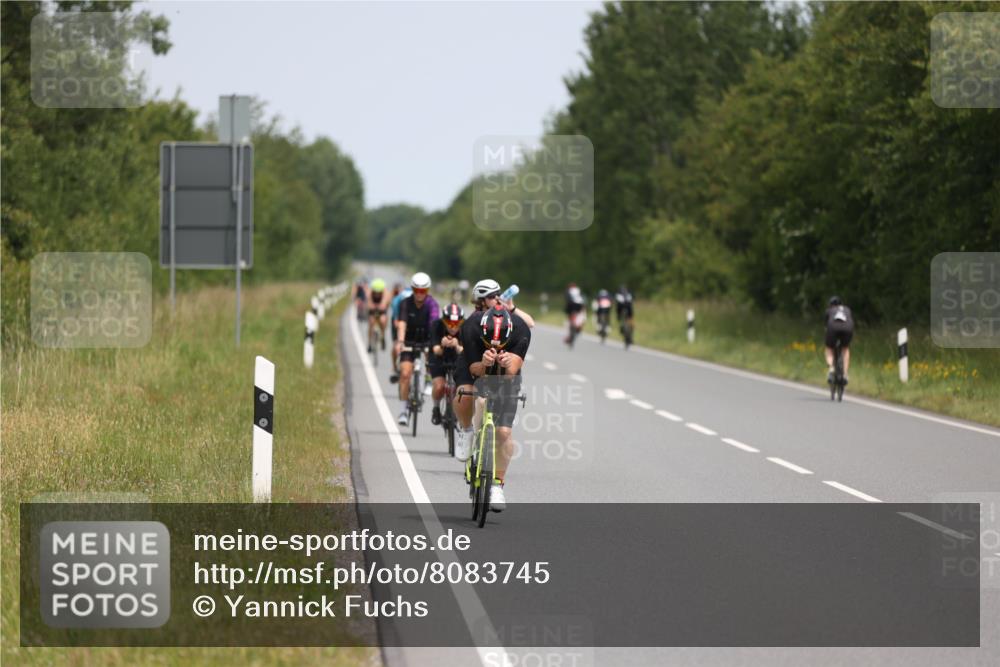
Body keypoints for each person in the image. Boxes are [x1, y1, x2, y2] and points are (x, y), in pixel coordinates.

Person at [460, 302, 530, 512]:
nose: (496, 347)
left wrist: (508, 362)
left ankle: (498, 484)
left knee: (504, 432)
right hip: (478, 371)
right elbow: (473, 370)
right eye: (490, 343)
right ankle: (472, 435)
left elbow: (512, 373)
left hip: (508, 379)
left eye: (501, 344)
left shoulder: (521, 330)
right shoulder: (471, 327)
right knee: (479, 400)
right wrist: (484, 363)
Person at [394, 272, 440, 425]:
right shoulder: (405, 303)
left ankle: (428, 378)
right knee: (405, 373)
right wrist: (400, 341)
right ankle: (402, 410)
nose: (420, 294)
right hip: (408, 339)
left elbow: (434, 324)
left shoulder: (432, 304)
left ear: (427, 291)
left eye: (423, 291)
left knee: (430, 354)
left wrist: (433, 344)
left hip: (426, 338)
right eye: (417, 290)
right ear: (413, 289)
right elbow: (402, 323)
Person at [429, 303, 465, 425]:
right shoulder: (436, 325)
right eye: (449, 323)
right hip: (439, 357)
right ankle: (436, 407)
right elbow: (436, 351)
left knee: (460, 388)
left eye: (456, 324)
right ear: (443, 321)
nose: (453, 327)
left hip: (457, 358)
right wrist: (443, 345)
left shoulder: (466, 328)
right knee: (439, 387)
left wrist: (457, 346)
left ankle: (455, 411)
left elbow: (467, 351)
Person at [824, 296, 854, 384]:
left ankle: (831, 368)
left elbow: (826, 326)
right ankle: (845, 374)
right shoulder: (847, 309)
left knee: (829, 348)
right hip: (848, 328)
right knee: (845, 348)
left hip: (833, 328)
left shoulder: (829, 310)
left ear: (830, 305)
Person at [389, 283, 411, 382]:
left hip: (409, 324)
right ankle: (394, 368)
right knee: (396, 346)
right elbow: (396, 321)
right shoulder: (397, 301)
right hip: (398, 321)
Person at [366, 278, 388, 353]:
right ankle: (369, 343)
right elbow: (368, 302)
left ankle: (382, 336)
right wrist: (371, 306)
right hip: (372, 310)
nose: (377, 294)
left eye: (379, 292)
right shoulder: (370, 292)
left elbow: (384, 302)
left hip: (381, 310)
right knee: (371, 323)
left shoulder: (384, 292)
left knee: (383, 320)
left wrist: (381, 305)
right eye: (375, 292)